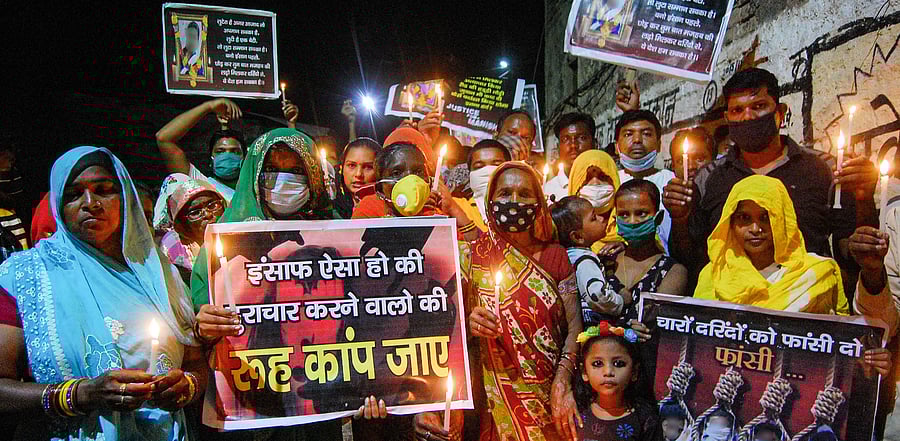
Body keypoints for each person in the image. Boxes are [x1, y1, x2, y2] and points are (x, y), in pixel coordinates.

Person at [0, 146, 205, 440]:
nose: (90, 203)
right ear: (58, 204)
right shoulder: (25, 276)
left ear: (125, 198)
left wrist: (187, 386)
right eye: (73, 195)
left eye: (104, 190)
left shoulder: (159, 273)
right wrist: (82, 394)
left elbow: (196, 362)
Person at [663, 68, 867, 276]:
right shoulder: (707, 178)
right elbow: (690, 258)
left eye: (758, 106)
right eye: (737, 110)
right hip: (731, 294)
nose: (747, 117)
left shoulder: (824, 169)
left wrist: (864, 198)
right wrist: (679, 219)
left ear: (780, 112)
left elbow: (848, 251)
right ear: (727, 118)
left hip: (805, 291)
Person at [463, 162, 582, 441]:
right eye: (505, 193)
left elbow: (575, 327)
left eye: (524, 194)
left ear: (538, 204)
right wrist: (470, 324)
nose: (514, 202)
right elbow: (452, 330)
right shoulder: (472, 256)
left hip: (550, 392)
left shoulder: (555, 256)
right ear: (490, 201)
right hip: (495, 397)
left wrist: (563, 379)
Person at [190, 128, 336, 311]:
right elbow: (204, 302)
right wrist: (206, 320)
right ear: (254, 174)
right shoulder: (225, 239)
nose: (283, 181)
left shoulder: (339, 233)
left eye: (296, 170)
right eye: (271, 169)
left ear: (313, 176)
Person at [609, 179, 687, 322]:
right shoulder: (605, 263)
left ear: (658, 218)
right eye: (624, 215)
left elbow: (655, 322)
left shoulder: (672, 271)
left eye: (641, 213)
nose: (632, 221)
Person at [574, 323, 661, 441]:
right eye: (598, 363)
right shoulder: (577, 413)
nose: (608, 372)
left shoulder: (645, 419)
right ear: (584, 372)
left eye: (618, 363)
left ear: (634, 372)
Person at [156, 98, 245, 202]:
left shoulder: (253, 191)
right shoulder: (199, 184)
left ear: (244, 158)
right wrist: (209, 106)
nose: (227, 156)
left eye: (234, 151)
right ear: (211, 159)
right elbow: (164, 139)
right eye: (220, 151)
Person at [552, 196, 622, 326]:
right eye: (594, 218)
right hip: (593, 327)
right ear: (578, 236)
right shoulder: (585, 261)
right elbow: (597, 295)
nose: (601, 218)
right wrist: (620, 302)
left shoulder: (567, 257)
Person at [616, 110, 674, 254]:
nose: (637, 140)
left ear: (659, 144)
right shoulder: (609, 183)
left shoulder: (672, 183)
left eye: (646, 134)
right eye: (628, 134)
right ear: (617, 146)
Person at [152, 173, 226, 281]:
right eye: (195, 213)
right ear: (183, 225)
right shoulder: (173, 249)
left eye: (212, 206)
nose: (207, 214)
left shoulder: (242, 234)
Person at [352, 143, 442, 219]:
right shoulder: (368, 210)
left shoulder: (432, 211)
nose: (410, 179)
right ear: (380, 188)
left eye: (418, 171)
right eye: (396, 173)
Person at [567, 149, 623, 258]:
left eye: (602, 177)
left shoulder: (630, 221)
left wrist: (628, 247)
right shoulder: (563, 232)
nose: (595, 183)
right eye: (587, 178)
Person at [450, 139, 511, 232]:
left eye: (496, 165)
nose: (488, 171)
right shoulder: (456, 206)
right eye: (479, 167)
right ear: (470, 174)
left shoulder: (521, 207)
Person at [545, 113, 599, 202]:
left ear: (595, 144)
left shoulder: (608, 185)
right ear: (558, 148)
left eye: (582, 138)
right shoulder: (548, 191)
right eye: (565, 139)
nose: (573, 145)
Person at [333, 137, 382, 219]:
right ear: (342, 168)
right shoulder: (332, 209)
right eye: (351, 165)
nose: (358, 174)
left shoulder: (386, 210)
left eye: (368, 167)